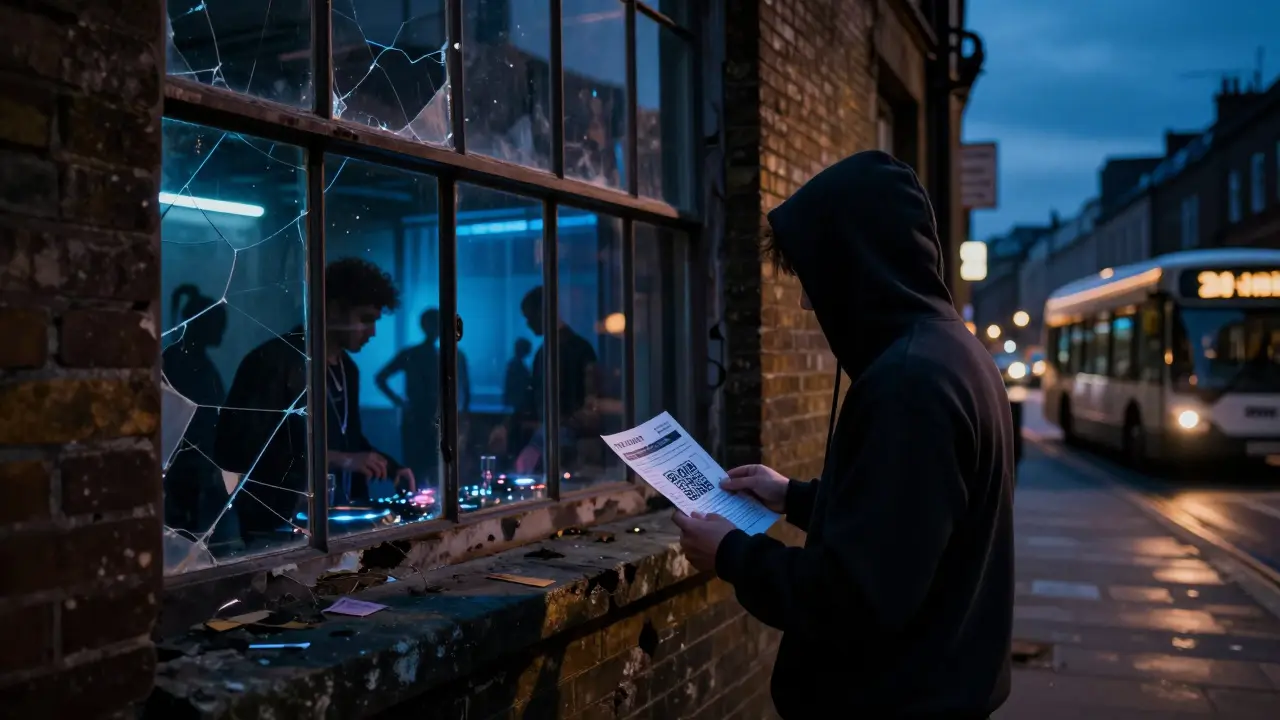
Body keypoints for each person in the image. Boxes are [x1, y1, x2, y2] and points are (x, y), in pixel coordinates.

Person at [672, 151, 1014, 718]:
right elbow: (909, 523)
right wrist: (795, 497)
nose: (807, 300)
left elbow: (854, 597)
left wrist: (731, 553)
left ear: (854, 264)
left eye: (812, 275)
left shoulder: (908, 386)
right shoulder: (951, 352)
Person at [215, 258, 415, 540]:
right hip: (279, 528)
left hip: (335, 522)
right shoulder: (274, 361)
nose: (372, 332)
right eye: (365, 319)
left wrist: (389, 465)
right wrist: (338, 460)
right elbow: (238, 451)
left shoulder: (348, 368)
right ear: (333, 310)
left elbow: (349, 439)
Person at [489, 286, 599, 474]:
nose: (528, 324)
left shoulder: (551, 352)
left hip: (565, 444)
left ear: (542, 312)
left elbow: (584, 403)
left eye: (529, 317)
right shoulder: (578, 348)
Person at [376, 308, 472, 486]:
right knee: (419, 469)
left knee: (436, 469)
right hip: (419, 419)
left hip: (433, 419)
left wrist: (462, 416)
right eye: (432, 324)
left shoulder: (448, 355)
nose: (433, 328)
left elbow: (465, 389)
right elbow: (380, 378)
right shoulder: (416, 354)